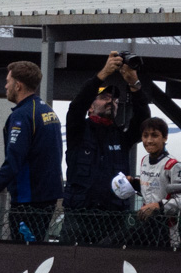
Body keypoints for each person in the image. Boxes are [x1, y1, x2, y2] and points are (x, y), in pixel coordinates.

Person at [0, 62, 62, 244]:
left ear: (18, 85)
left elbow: (13, 163)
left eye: (8, 81)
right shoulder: (47, 110)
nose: (5, 86)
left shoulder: (22, 115)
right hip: (45, 200)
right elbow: (36, 159)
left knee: (23, 255)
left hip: (28, 203)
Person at [59, 52, 150, 246]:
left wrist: (134, 84)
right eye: (104, 97)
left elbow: (144, 120)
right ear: (90, 107)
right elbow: (76, 106)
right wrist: (103, 74)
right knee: (69, 263)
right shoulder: (78, 130)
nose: (111, 101)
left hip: (113, 218)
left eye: (115, 99)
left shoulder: (121, 135)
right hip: (79, 217)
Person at [132, 119, 181, 250]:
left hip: (166, 229)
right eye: (145, 135)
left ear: (165, 138)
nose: (149, 140)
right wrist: (133, 183)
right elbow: (151, 188)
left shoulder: (173, 165)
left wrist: (158, 205)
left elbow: (180, 200)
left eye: (154, 135)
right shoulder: (144, 160)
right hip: (145, 225)